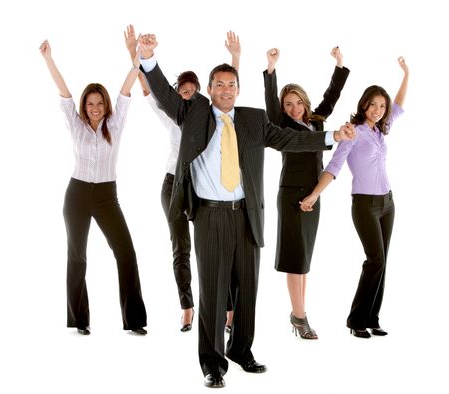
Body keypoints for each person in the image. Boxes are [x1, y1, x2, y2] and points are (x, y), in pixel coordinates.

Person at [137, 33, 355, 388]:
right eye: (219, 84)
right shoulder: (192, 113)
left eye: (231, 84)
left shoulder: (253, 120)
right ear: (210, 89)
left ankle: (242, 350)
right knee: (213, 288)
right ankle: (212, 362)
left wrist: (332, 137)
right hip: (208, 215)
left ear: (238, 89)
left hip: (246, 214)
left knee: (247, 287)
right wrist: (148, 59)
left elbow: (289, 139)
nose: (226, 89)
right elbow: (163, 93)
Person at [123, 26, 238, 332]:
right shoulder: (170, 114)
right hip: (173, 185)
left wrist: (235, 57)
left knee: (213, 248)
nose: (186, 95)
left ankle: (227, 309)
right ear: (176, 95)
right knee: (181, 247)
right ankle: (187, 307)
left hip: (202, 187)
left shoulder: (209, 117)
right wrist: (135, 53)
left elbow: (228, 93)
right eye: (181, 91)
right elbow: (147, 86)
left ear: (200, 96)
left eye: (191, 91)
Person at [39, 40, 147, 335]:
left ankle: (134, 320)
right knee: (77, 256)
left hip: (106, 196)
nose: (95, 108)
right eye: (90, 104)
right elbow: (63, 91)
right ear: (84, 106)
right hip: (76, 195)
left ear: (106, 105)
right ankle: (79, 320)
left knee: (126, 252)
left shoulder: (116, 122)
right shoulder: (75, 124)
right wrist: (49, 59)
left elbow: (127, 88)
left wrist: (137, 57)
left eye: (100, 103)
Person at [300, 57, 409, 338]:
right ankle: (356, 321)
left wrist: (406, 74)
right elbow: (334, 167)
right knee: (375, 260)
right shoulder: (355, 133)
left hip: (388, 203)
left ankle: (372, 318)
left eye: (381, 106)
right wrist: (313, 195)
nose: (378, 109)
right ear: (364, 105)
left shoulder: (381, 129)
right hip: (365, 205)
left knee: (383, 260)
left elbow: (398, 106)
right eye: (373, 104)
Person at [264, 47, 350, 339]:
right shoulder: (281, 126)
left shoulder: (316, 121)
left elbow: (331, 96)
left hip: (314, 193)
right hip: (291, 195)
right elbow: (271, 104)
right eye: (288, 104)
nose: (294, 108)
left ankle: (298, 313)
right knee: (294, 257)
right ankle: (299, 316)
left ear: (304, 102)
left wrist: (339, 65)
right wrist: (271, 69)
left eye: (297, 102)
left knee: (304, 258)